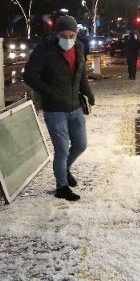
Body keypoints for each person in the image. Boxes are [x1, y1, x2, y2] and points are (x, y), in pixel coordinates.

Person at [24, 15, 95, 202]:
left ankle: (65, 169)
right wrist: (48, 91)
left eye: (72, 35)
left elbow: (82, 74)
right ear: (56, 34)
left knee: (80, 145)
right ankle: (61, 187)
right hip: (55, 109)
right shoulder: (45, 49)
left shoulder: (79, 47)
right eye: (64, 35)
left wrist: (88, 93)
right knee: (62, 149)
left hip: (75, 106)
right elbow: (29, 75)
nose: (69, 39)